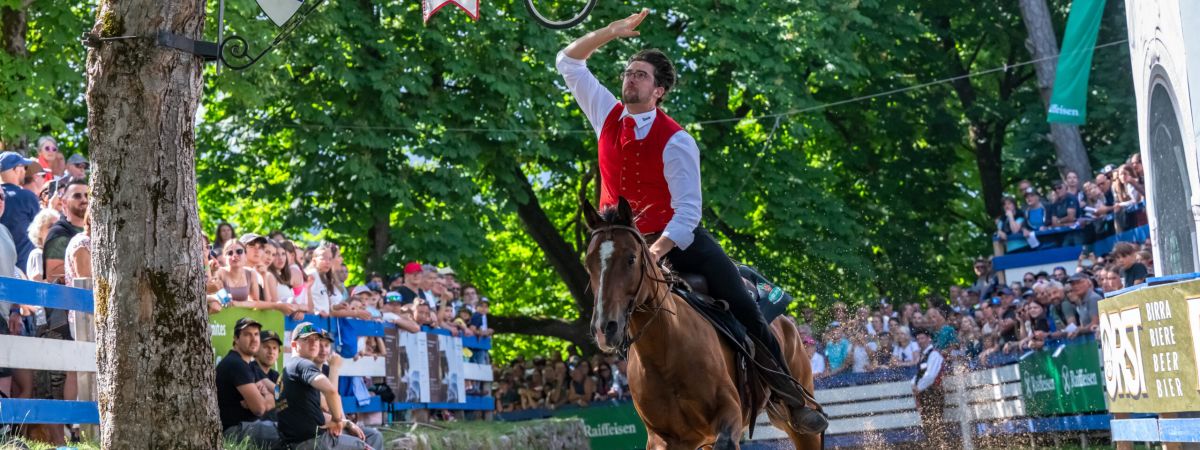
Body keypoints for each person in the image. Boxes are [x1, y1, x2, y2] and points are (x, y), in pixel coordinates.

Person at [556, 8, 825, 433]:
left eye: (640, 75)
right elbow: (568, 61)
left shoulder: (677, 140)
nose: (630, 79)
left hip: (677, 241)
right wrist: (611, 31)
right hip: (619, 243)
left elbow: (687, 213)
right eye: (628, 73)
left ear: (659, 90)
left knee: (744, 306)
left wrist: (656, 250)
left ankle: (791, 396)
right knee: (604, 288)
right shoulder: (605, 113)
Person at [277, 322, 381, 450]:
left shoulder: (287, 372)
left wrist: (346, 423)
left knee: (372, 436)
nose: (314, 343)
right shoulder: (302, 364)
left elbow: (309, 414)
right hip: (312, 441)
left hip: (299, 442)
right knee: (364, 446)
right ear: (294, 345)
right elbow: (331, 391)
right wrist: (337, 420)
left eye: (316, 339)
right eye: (306, 339)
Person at [215, 317, 279, 449]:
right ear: (236, 338)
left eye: (256, 334)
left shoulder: (250, 366)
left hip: (250, 425)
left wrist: (264, 398)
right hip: (234, 430)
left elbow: (278, 397)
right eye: (247, 334)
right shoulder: (236, 364)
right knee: (291, 432)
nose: (254, 339)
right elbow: (260, 408)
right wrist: (266, 397)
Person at [0, 152, 41, 273]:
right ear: (16, 169)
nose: (25, 171)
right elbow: (41, 232)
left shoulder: (5, 197)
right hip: (23, 271)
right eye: (24, 167)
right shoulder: (27, 197)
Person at [911, 328, 946, 449]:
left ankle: (939, 446)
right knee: (928, 425)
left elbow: (931, 375)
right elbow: (920, 374)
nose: (920, 341)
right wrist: (913, 383)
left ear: (929, 339)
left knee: (935, 424)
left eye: (922, 338)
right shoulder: (924, 356)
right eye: (918, 339)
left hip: (933, 393)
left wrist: (917, 387)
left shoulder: (934, 354)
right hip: (925, 394)